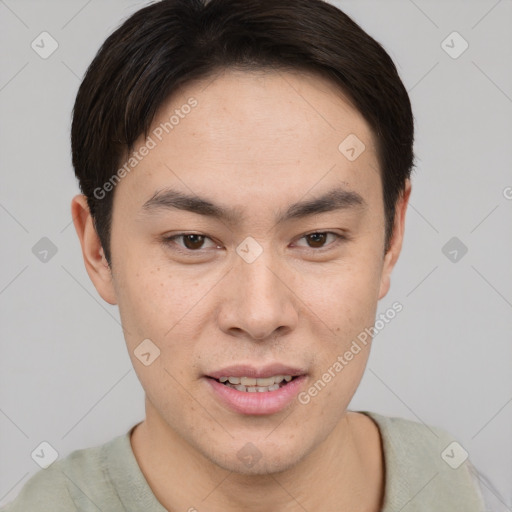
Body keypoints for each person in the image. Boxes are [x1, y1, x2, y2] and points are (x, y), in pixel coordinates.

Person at [2, 0, 488, 510]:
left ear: (392, 238)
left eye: (317, 238)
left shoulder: (450, 480)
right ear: (98, 249)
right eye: (192, 240)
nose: (259, 316)